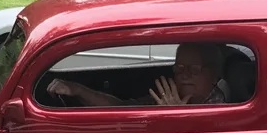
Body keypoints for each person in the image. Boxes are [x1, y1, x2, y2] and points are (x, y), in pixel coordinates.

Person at [47, 43, 230, 107]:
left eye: (194, 69)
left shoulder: (218, 106)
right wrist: (79, 90)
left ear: (214, 76)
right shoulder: (170, 98)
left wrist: (177, 117)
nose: (185, 75)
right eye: (180, 68)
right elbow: (122, 109)